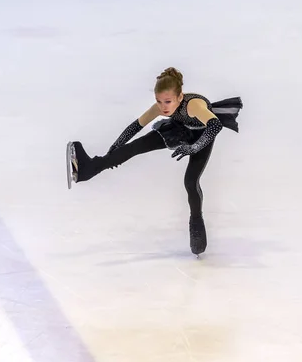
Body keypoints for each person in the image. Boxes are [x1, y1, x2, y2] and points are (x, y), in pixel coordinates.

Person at [66, 67, 243, 256]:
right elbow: (135, 126)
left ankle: (197, 224)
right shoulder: (160, 107)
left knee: (190, 182)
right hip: (180, 130)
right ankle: (89, 169)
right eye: (159, 101)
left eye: (168, 101)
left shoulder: (194, 105)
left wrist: (193, 148)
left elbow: (215, 126)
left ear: (180, 97)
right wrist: (114, 150)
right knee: (134, 147)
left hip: (202, 136)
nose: (163, 107)